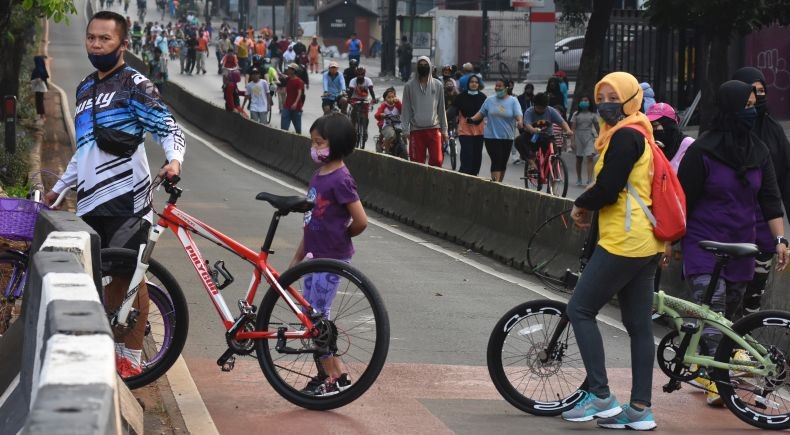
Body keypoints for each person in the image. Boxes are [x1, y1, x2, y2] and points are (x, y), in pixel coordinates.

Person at [43, 10, 185, 379]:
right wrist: (59, 189)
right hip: (90, 203)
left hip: (128, 202)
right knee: (104, 281)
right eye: (91, 38)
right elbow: (84, 151)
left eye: (104, 39)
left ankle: (131, 360)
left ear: (122, 44)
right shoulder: (84, 88)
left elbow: (169, 128)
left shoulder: (136, 85)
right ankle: (111, 354)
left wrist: (174, 160)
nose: (95, 44)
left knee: (130, 280)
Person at [562, 71, 663, 430]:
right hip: (646, 242)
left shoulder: (625, 137)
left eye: (613, 98)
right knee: (638, 326)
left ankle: (600, 396)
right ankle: (640, 409)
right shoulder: (640, 133)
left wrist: (580, 204)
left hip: (624, 241)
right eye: (601, 97)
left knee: (580, 308)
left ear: (632, 99)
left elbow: (608, 188)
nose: (606, 104)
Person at [678, 80, 788, 406]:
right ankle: (718, 382)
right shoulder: (702, 151)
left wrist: (780, 239)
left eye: (754, 106)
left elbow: (770, 199)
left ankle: (708, 368)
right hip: (702, 242)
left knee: (730, 317)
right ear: (729, 109)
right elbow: (682, 201)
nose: (751, 112)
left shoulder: (759, 151)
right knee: (712, 309)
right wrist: (669, 243)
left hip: (741, 246)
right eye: (746, 106)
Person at [289, 112, 367, 396]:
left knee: (317, 318)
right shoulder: (317, 176)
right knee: (309, 315)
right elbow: (310, 224)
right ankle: (333, 374)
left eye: (319, 142)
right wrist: (296, 260)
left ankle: (333, 376)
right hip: (313, 258)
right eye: (313, 142)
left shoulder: (341, 179)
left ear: (337, 143)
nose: (314, 147)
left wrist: (341, 237)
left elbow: (361, 220)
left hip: (331, 260)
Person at [731, 66, 790, 315]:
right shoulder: (725, 132)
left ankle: (745, 330)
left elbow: (785, 178)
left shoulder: (774, 131)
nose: (758, 97)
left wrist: (781, 237)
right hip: (732, 219)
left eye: (762, 91)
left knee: (755, 291)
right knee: (730, 289)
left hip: (765, 221)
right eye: (752, 92)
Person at [467, 79, 523, 182]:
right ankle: (495, 184)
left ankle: (499, 184)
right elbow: (481, 113)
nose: (497, 88)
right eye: (496, 86)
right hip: (491, 137)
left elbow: (518, 114)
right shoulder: (489, 100)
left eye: (500, 86)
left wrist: (520, 121)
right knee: (496, 161)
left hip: (507, 137)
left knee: (503, 163)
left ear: (506, 88)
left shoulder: (513, 101)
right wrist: (472, 119)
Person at [401, 56, 448, 167]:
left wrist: (445, 130)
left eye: (426, 65)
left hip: (434, 129)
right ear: (417, 67)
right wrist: (405, 130)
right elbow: (406, 109)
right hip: (416, 131)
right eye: (421, 65)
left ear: (430, 67)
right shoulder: (409, 86)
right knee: (417, 164)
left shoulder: (438, 85)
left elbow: (441, 109)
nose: (423, 67)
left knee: (437, 161)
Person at [521, 92, 573, 173]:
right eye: (539, 108)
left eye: (543, 108)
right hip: (534, 136)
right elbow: (527, 124)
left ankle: (553, 176)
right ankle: (532, 163)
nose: (541, 110)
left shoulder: (551, 111)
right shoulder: (529, 111)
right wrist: (533, 130)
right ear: (534, 105)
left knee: (554, 155)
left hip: (548, 136)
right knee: (520, 141)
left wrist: (568, 130)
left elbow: (562, 122)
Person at [453, 75, 486, 175]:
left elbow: (488, 112)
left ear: (479, 84)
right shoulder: (461, 97)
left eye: (476, 82)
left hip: (479, 132)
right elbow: (453, 110)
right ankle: (464, 176)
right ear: (468, 84)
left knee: (477, 156)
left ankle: (474, 176)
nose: (474, 84)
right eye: (472, 82)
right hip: (465, 131)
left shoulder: (483, 97)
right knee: (467, 155)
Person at [645, 102, 693, 172]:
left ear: (669, 125)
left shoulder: (689, 146)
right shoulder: (647, 146)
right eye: (648, 126)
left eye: (654, 125)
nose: (652, 130)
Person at [570, 95, 599, 186]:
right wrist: (572, 141)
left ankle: (589, 180)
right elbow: (573, 129)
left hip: (589, 136)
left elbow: (597, 127)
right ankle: (579, 179)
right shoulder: (576, 114)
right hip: (578, 137)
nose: (584, 102)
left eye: (586, 100)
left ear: (590, 102)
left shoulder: (593, 115)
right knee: (579, 158)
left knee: (590, 157)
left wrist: (601, 138)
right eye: (582, 100)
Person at [347, 66, 377, 146]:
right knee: (354, 113)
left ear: (364, 74)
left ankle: (365, 130)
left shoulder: (368, 80)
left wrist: (374, 99)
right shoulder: (353, 81)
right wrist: (348, 99)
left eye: (362, 74)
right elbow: (351, 91)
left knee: (366, 116)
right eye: (358, 75)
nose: (360, 76)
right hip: (354, 98)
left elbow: (371, 90)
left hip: (365, 99)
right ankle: (353, 129)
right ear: (356, 74)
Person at [373, 87, 402, 153]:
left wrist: (398, 102)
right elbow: (377, 115)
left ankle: (403, 148)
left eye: (393, 97)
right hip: (387, 125)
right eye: (389, 97)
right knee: (391, 135)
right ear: (385, 99)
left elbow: (403, 110)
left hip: (398, 124)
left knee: (405, 134)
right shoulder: (383, 106)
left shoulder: (397, 104)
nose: (391, 99)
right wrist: (381, 115)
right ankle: (387, 151)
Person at [281, 63, 305, 134]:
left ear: (294, 71)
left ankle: (299, 140)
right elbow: (283, 77)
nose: (288, 70)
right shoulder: (288, 79)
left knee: (298, 129)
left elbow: (299, 93)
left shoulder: (299, 82)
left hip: (296, 108)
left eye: (289, 69)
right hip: (287, 106)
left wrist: (295, 103)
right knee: (283, 128)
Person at [31, 54, 49, 121]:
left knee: (39, 102)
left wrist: (32, 82)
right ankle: (41, 115)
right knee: (39, 101)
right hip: (40, 88)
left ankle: (42, 115)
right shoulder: (41, 68)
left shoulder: (38, 70)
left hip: (39, 88)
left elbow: (39, 79)